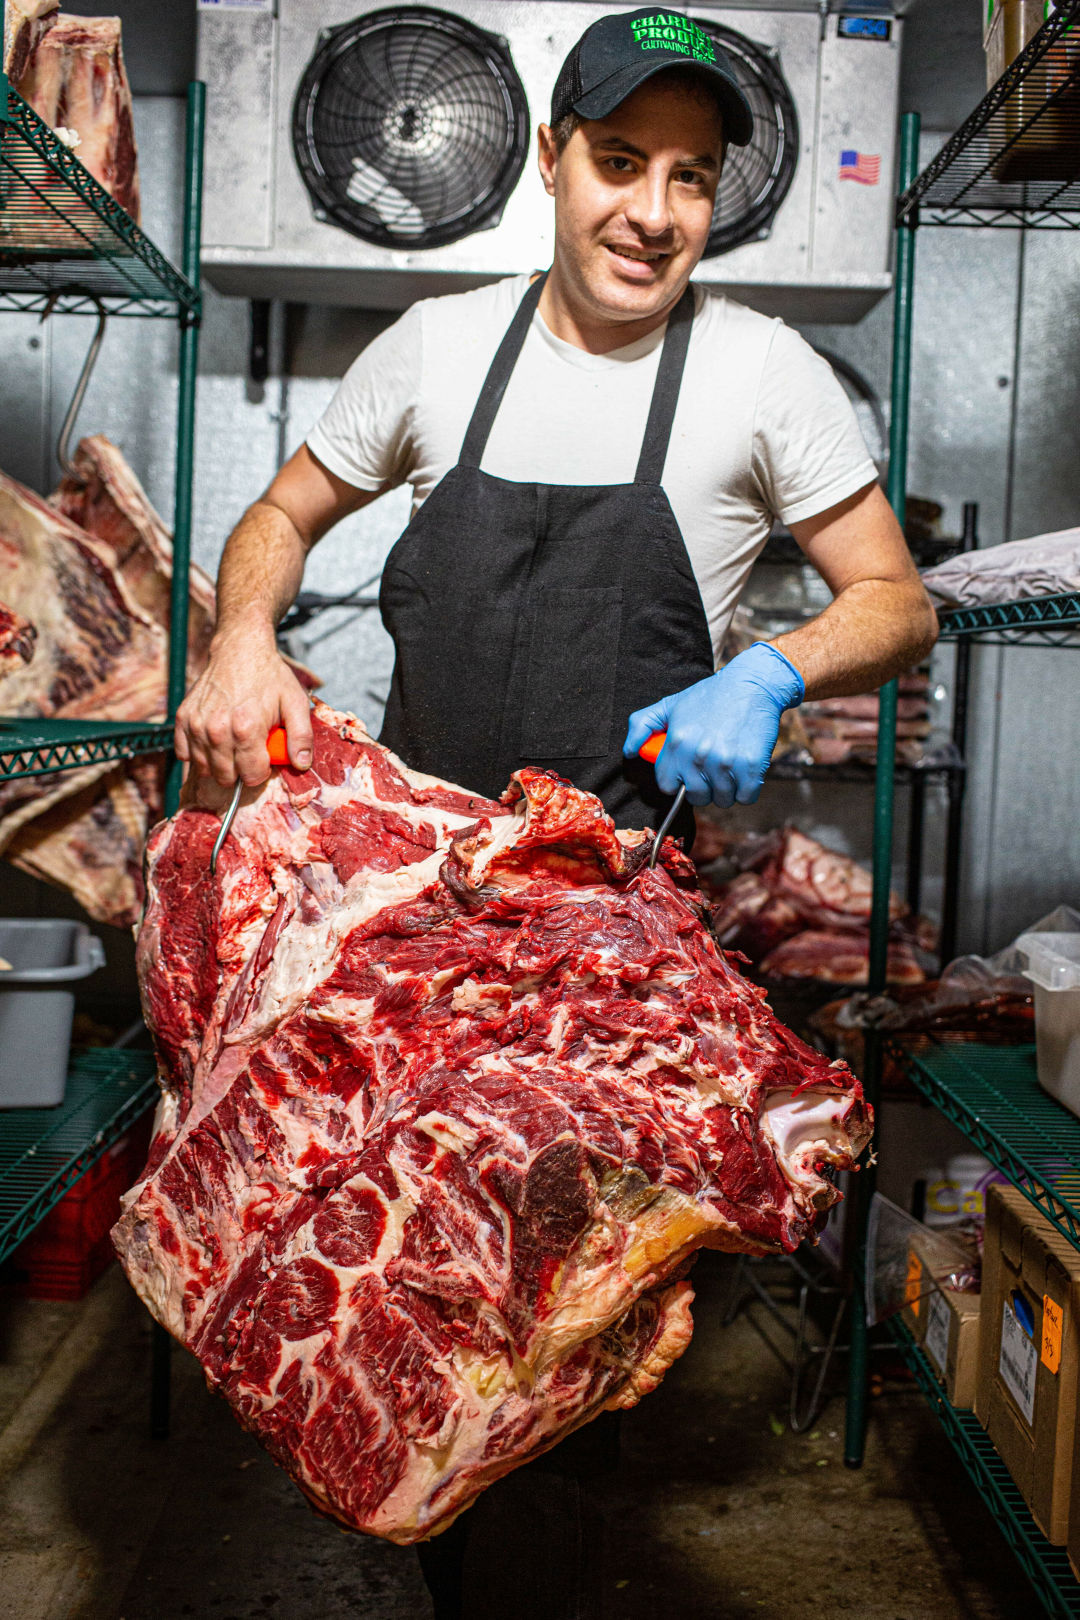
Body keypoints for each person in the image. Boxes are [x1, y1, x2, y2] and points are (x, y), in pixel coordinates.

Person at [175, 9, 936, 1614]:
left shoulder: (761, 372)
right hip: (414, 916)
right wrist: (243, 635)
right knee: (403, 1310)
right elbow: (276, 514)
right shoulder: (439, 349)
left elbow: (894, 599)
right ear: (546, 162)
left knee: (562, 1349)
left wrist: (775, 672)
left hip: (607, 946)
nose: (652, 210)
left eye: (692, 176)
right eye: (618, 162)